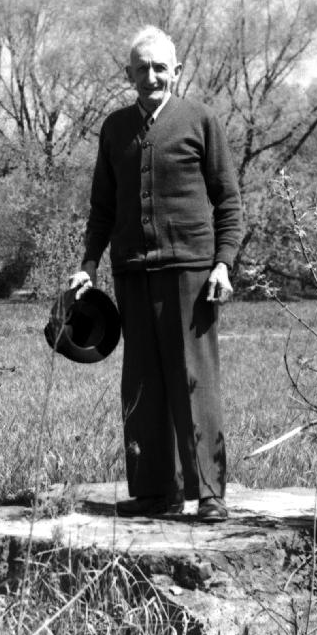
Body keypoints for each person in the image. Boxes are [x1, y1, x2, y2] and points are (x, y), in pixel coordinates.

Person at [68, 26, 243, 523]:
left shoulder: (200, 120)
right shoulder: (114, 128)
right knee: (141, 380)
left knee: (195, 380)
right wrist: (89, 267)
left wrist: (223, 263)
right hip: (131, 273)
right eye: (141, 68)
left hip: (191, 272)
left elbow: (228, 201)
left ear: (177, 71)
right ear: (128, 74)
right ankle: (154, 490)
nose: (151, 76)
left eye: (160, 67)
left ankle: (208, 492)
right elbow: (102, 207)